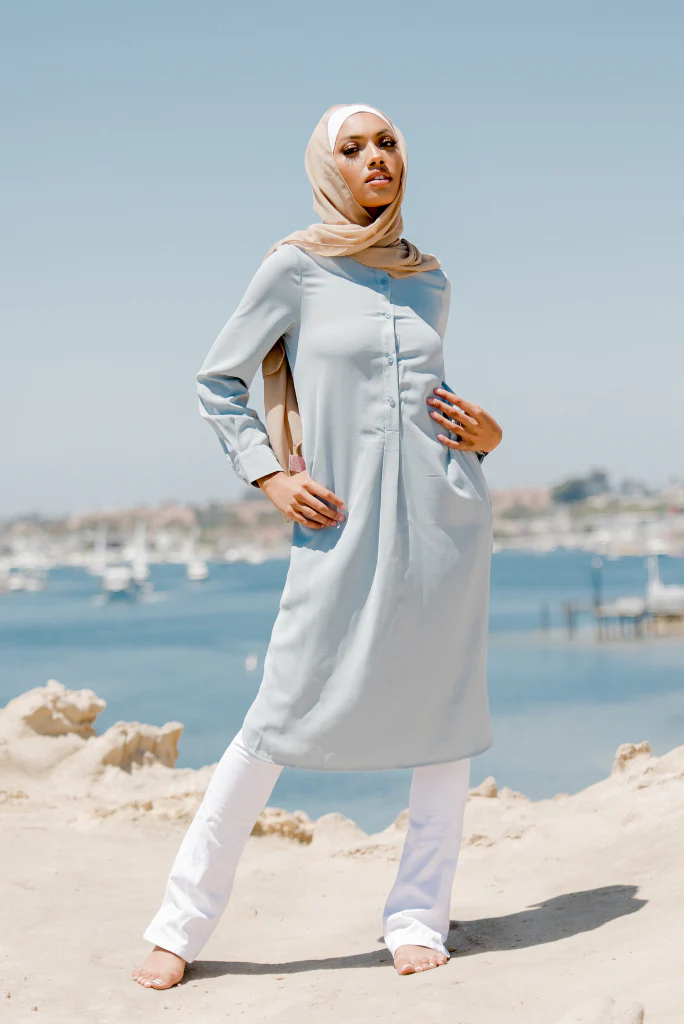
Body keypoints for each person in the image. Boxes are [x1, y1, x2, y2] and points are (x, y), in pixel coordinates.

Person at [132, 103, 502, 990]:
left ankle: (417, 916)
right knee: (277, 713)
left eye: (388, 144)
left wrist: (487, 439)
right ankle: (180, 924)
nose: (376, 158)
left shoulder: (429, 277)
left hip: (445, 520)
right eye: (354, 148)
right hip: (338, 522)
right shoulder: (295, 267)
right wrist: (269, 476)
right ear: (326, 166)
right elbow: (219, 381)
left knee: (444, 718)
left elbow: (423, 397)